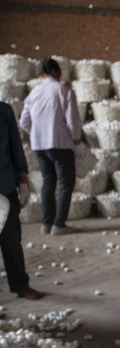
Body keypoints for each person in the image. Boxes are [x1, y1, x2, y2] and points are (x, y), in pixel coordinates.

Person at [20, 58, 82, 236]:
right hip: (60, 144)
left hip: (39, 145)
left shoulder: (34, 93)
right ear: (59, 73)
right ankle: (59, 224)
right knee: (65, 184)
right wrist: (77, 141)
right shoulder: (64, 91)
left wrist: (37, 132)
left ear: (42, 75)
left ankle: (46, 224)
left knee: (48, 182)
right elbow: (72, 122)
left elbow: (24, 121)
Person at [0, 102, 44, 300]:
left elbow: (15, 146)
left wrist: (23, 182)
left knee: (11, 240)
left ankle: (20, 284)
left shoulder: (4, 111)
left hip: (5, 186)